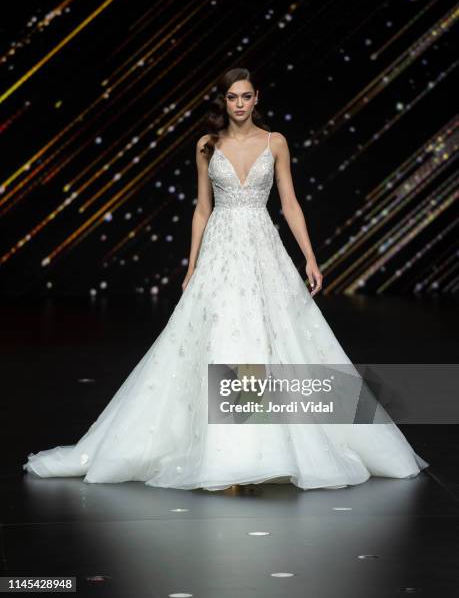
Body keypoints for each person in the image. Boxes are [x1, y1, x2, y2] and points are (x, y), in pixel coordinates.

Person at [23, 68, 429, 491]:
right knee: (220, 337)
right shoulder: (206, 145)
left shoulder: (275, 143)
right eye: (232, 97)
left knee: (274, 337)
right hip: (220, 250)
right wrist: (192, 264)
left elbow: (289, 204)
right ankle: (233, 452)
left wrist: (310, 256)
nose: (239, 104)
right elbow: (201, 208)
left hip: (262, 250)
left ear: (257, 99)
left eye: (246, 96)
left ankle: (262, 450)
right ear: (224, 101)